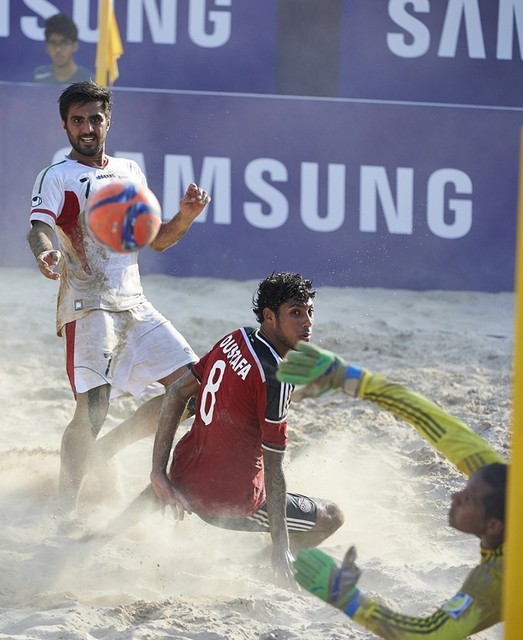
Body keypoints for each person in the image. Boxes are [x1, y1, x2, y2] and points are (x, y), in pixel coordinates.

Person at [27, 80, 211, 513]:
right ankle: (64, 510)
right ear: (64, 125)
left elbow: (157, 240)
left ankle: (107, 449)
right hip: (87, 306)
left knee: (194, 388)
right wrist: (45, 252)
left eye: (95, 118)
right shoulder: (57, 176)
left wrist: (184, 217)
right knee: (93, 408)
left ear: (108, 120)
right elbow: (38, 228)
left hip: (134, 303)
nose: (87, 128)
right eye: (77, 120)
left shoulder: (130, 171)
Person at [276, 341, 506, 639]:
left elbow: (430, 635)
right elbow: (425, 415)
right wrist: (351, 377)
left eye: (468, 499)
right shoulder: (495, 477)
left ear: (494, 525)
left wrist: (349, 600)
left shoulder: (498, 580)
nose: (455, 495)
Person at [147, 273, 344, 585]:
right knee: (333, 515)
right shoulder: (277, 377)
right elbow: (274, 470)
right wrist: (281, 546)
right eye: (295, 313)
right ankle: (261, 564)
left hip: (181, 473)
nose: (307, 323)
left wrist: (158, 471)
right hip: (227, 501)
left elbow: (174, 393)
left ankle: (102, 533)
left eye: (310, 312)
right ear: (269, 316)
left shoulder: (235, 338)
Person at [33, 13, 93, 84]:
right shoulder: (39, 76)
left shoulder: (88, 81)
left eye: (64, 43)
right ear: (47, 47)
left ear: (75, 46)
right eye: (53, 43)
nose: (58, 49)